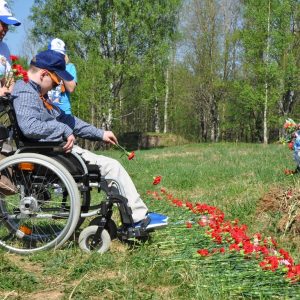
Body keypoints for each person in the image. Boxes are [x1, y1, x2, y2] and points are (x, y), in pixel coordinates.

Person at [12, 49, 168, 229]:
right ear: (44, 74)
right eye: (57, 81)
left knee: (110, 165)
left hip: (56, 151)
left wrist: (100, 134)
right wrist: (62, 130)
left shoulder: (39, 94)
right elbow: (29, 127)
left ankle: (134, 216)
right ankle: (138, 219)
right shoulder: (25, 92)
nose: (58, 86)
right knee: (111, 167)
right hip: (49, 154)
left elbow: (68, 120)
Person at [47, 38, 77, 115]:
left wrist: (60, 68)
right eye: (55, 53)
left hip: (64, 111)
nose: (58, 56)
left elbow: (71, 89)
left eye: (60, 54)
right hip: (47, 110)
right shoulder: (43, 66)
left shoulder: (70, 67)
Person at [0, 0, 21, 96]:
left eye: (7, 25)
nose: (6, 29)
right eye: (3, 24)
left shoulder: (4, 48)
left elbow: (9, 81)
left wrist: (7, 90)